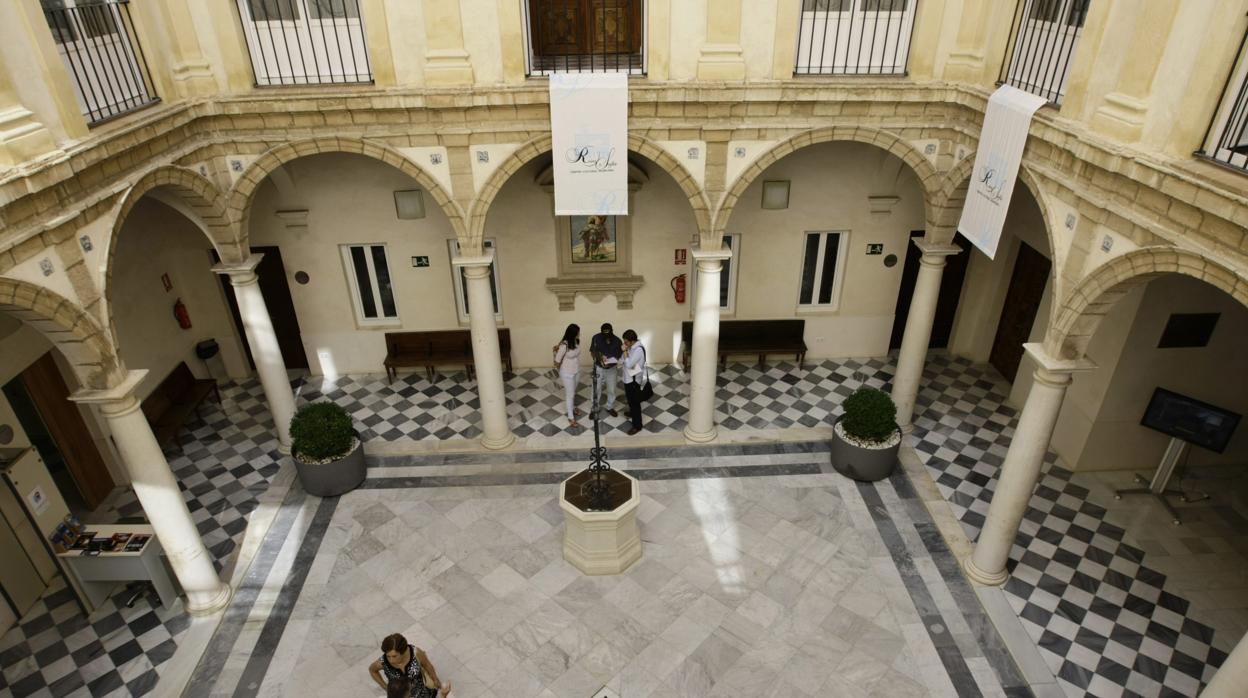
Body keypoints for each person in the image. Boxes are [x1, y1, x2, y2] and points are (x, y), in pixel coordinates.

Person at [368, 633, 450, 697]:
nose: (391, 660)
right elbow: (372, 670)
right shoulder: (383, 662)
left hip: (422, 692)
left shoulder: (415, 653)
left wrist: (435, 679)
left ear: (403, 652)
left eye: (394, 656)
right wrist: (386, 687)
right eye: (388, 656)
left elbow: (427, 665)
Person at [552, 323, 583, 428]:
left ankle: (573, 408)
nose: (580, 333)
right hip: (566, 373)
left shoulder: (577, 341)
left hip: (576, 370)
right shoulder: (564, 345)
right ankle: (571, 417)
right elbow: (556, 361)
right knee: (570, 394)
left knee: (573, 392)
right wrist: (561, 371)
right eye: (578, 332)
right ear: (573, 333)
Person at [589, 322, 623, 417]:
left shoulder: (617, 341)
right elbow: (592, 352)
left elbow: (620, 356)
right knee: (596, 389)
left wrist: (612, 361)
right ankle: (594, 408)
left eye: (609, 334)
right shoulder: (596, 338)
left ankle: (610, 407)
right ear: (601, 332)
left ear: (612, 331)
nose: (607, 337)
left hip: (611, 369)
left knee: (612, 389)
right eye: (604, 334)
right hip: (599, 368)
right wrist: (599, 358)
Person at [620, 329, 647, 435]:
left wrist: (625, 351)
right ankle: (632, 413)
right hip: (628, 378)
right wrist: (625, 354)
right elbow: (623, 360)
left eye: (626, 342)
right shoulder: (631, 347)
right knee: (630, 400)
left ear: (632, 341)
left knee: (635, 403)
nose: (624, 344)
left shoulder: (638, 350)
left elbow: (629, 364)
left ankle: (637, 426)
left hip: (634, 380)